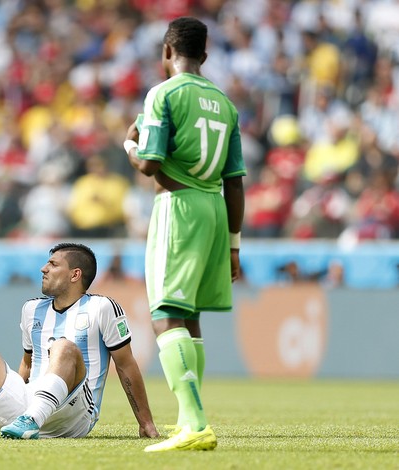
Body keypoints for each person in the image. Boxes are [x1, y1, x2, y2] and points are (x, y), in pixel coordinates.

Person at [123, 17, 246, 452]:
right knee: (190, 316)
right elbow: (235, 181)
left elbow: (150, 163)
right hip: (215, 209)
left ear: (166, 52)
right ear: (205, 56)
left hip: (179, 205)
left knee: (165, 313)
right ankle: (186, 420)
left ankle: (194, 423)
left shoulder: (163, 93)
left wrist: (129, 146)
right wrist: (233, 245)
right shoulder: (225, 103)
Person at [0, 242, 159, 440]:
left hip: (75, 416)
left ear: (75, 274)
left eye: (52, 264)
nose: (43, 268)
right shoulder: (32, 309)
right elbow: (27, 366)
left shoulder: (102, 307)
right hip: (30, 406)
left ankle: (31, 419)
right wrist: (12, 397)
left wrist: (145, 422)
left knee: (62, 347)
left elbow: (126, 364)